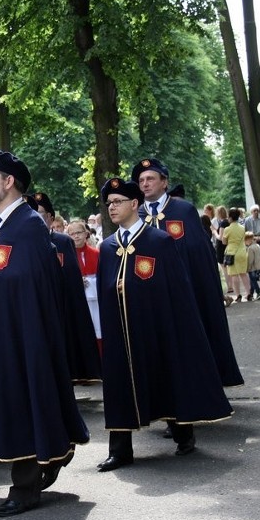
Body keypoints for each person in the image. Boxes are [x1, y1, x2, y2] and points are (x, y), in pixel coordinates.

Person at [0, 150, 89, 517]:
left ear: (9, 181)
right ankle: (50, 454)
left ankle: (26, 485)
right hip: (1, 331)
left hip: (23, 333)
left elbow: (27, 279)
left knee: (24, 397)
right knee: (14, 398)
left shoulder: (28, 224)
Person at [96, 177, 233, 471]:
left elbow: (176, 288)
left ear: (135, 204)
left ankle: (184, 434)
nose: (112, 208)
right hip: (121, 331)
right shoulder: (107, 247)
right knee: (120, 384)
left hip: (155, 326)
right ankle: (120, 450)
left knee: (165, 376)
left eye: (118, 202)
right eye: (109, 203)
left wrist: (137, 291)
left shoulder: (158, 241)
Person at [131, 158, 243, 388]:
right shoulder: (136, 214)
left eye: (150, 178)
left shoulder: (183, 210)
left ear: (164, 182)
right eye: (141, 180)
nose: (145, 184)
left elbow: (199, 255)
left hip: (184, 291)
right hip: (149, 294)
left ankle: (200, 386)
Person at [28, 192, 100, 382]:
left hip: (62, 310)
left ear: (51, 218)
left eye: (41, 214)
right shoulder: (25, 243)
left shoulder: (63, 242)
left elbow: (72, 281)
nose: (35, 218)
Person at [67, 219, 102, 354]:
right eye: (72, 233)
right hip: (77, 302)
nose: (76, 236)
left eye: (79, 232)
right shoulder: (67, 256)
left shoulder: (97, 254)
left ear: (86, 233)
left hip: (96, 302)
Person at [222, 208, 249, 303]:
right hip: (242, 251)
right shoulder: (242, 228)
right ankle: (248, 292)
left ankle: (238, 295)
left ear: (230, 217)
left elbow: (224, 242)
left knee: (234, 275)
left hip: (232, 253)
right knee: (243, 273)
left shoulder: (227, 229)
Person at [245, 232, 260, 301]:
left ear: (248, 239)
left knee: (253, 281)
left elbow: (250, 260)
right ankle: (251, 293)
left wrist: (248, 268)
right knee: (252, 281)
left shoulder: (250, 248)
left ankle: (258, 292)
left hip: (252, 268)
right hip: (259, 266)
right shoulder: (257, 246)